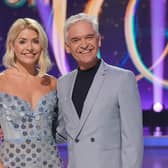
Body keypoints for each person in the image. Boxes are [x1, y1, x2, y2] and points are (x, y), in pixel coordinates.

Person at [56, 13, 143, 168]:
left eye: (89, 37)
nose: (84, 44)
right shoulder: (63, 83)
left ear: (99, 40)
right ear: (67, 47)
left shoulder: (122, 79)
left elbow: (133, 141)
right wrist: (15, 128)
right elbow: (63, 132)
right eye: (76, 40)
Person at [0, 18, 63, 168]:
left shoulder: (53, 83)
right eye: (22, 41)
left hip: (50, 163)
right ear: (12, 45)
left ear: (42, 46)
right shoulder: (1, 82)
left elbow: (65, 127)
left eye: (35, 41)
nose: (29, 47)